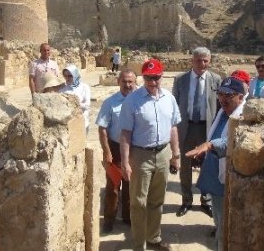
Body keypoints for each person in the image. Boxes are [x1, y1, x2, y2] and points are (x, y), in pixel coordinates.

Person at [120, 59, 181, 251]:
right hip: (140, 155)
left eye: (155, 78)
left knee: (157, 200)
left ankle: (154, 239)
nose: (152, 82)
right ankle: (139, 245)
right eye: (148, 78)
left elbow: (173, 127)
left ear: (161, 76)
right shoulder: (132, 100)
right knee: (138, 203)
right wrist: (125, 162)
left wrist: (176, 154)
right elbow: (125, 133)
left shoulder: (169, 98)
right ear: (143, 77)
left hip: (163, 153)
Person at [186, 77, 246, 251]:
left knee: (224, 227)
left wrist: (210, 145)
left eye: (229, 94)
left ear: (241, 97)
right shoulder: (222, 113)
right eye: (220, 93)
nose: (223, 98)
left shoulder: (241, 116)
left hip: (226, 181)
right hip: (215, 177)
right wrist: (204, 153)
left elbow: (232, 141)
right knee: (219, 221)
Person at [172, 47, 221, 217]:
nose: (202, 64)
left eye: (205, 60)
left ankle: (206, 200)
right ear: (192, 61)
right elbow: (175, 105)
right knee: (185, 166)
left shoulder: (216, 79)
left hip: (206, 129)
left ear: (209, 61)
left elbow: (220, 106)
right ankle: (186, 200)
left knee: (207, 165)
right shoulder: (180, 80)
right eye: (199, 60)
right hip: (186, 127)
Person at [96, 69, 137, 233]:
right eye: (124, 81)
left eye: (130, 82)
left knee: (130, 185)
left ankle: (127, 217)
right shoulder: (110, 102)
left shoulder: (140, 101)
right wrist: (107, 151)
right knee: (113, 186)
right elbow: (102, 128)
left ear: (135, 82)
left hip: (135, 150)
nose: (127, 85)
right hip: (115, 149)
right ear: (118, 82)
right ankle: (109, 219)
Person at [59, 64, 91, 134]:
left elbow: (87, 105)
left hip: (83, 122)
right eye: (65, 76)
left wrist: (73, 103)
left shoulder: (84, 87)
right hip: (68, 124)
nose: (67, 78)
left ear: (75, 75)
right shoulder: (62, 90)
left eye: (70, 76)